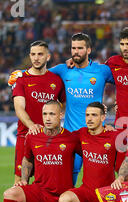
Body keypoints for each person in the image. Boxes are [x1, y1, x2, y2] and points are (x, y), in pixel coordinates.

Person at [9, 33, 115, 185]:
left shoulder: (102, 71)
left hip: (96, 135)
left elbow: (124, 82)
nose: (76, 52)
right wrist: (20, 74)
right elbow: (38, 72)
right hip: (71, 136)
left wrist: (116, 105)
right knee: (65, 184)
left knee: (104, 181)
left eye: (80, 48)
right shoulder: (62, 70)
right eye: (73, 48)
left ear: (89, 50)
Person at [0, 101, 80, 202]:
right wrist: (24, 180)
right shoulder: (33, 137)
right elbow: (27, 159)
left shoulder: (72, 138)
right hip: (39, 190)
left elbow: (88, 154)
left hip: (59, 197)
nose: (48, 118)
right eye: (45, 114)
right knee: (10, 194)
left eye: (52, 114)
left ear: (61, 115)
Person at [11, 40, 66, 202]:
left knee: (43, 188)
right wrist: (32, 125)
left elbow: (63, 105)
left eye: (40, 54)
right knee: (21, 185)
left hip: (49, 142)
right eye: (33, 54)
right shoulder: (21, 80)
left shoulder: (55, 80)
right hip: (26, 138)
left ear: (48, 56)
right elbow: (19, 108)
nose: (36, 58)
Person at [58, 102, 128, 202]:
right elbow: (61, 137)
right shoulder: (81, 134)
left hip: (105, 194)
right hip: (86, 192)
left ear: (103, 117)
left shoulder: (114, 136)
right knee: (64, 199)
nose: (89, 118)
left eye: (94, 115)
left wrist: (121, 177)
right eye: (87, 115)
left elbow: (127, 157)